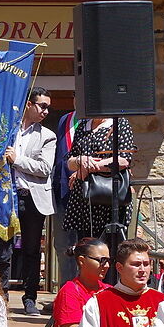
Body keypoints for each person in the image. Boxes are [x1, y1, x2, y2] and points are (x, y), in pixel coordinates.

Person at [59, 111, 134, 262]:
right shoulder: (83, 127)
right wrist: (81, 161)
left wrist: (90, 168)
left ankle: (108, 284)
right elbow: (69, 160)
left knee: (111, 250)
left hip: (109, 198)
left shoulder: (120, 124)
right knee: (86, 249)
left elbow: (124, 160)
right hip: (84, 200)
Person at [8, 92, 58, 315]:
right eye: (42, 106)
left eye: (48, 107)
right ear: (29, 104)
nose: (46, 111)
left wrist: (17, 159)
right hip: (7, 196)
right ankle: (0, 295)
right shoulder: (8, 129)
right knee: (3, 247)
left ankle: (30, 298)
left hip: (32, 197)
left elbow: (45, 168)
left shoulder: (48, 136)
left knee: (31, 249)